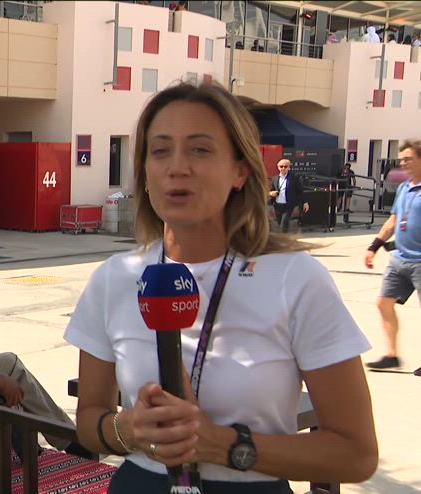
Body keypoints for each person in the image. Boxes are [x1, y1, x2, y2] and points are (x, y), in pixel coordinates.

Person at [64, 82, 377, 492]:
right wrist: (129, 430)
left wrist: (224, 446)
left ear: (240, 171)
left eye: (200, 149)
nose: (178, 167)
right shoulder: (114, 277)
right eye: (160, 151)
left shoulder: (296, 279)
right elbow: (89, 421)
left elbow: (356, 454)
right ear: (144, 172)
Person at [364, 139, 421, 376]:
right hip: (399, 259)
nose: (403, 163)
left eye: (408, 159)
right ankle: (391, 355)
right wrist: (374, 246)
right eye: (401, 160)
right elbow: (393, 220)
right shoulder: (404, 188)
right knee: (383, 303)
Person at [269, 159, 310, 233]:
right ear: (278, 167)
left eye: (285, 166)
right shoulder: (274, 178)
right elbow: (271, 190)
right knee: (280, 223)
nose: (283, 168)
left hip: (288, 205)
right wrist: (271, 193)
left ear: (289, 167)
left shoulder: (294, 178)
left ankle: (282, 237)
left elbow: (300, 191)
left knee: (284, 223)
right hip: (277, 205)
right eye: (281, 166)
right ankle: (283, 236)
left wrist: (305, 202)